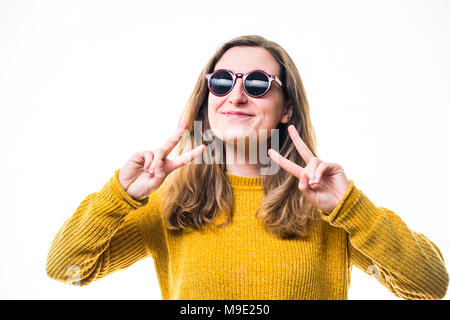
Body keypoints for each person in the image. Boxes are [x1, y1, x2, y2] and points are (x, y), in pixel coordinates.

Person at [46, 35, 449, 300]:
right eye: (222, 82)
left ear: (286, 107)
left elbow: (432, 285)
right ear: (208, 100)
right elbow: (66, 269)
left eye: (256, 84)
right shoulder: (171, 203)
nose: (236, 96)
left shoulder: (330, 207)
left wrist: (350, 207)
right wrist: (120, 197)